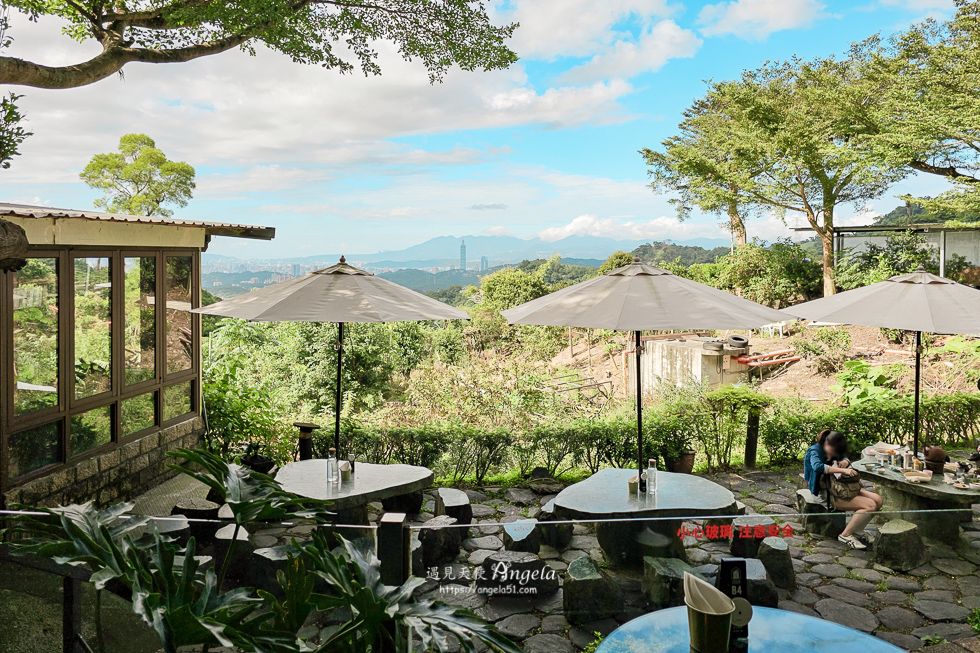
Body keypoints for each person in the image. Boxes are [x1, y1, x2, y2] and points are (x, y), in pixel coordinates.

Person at [803, 429, 883, 550]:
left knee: (878, 500)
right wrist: (842, 470)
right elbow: (817, 466)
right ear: (826, 444)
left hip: (841, 488)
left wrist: (844, 461)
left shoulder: (833, 448)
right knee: (870, 505)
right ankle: (845, 535)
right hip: (826, 493)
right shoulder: (814, 451)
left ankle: (858, 530)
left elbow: (845, 458)